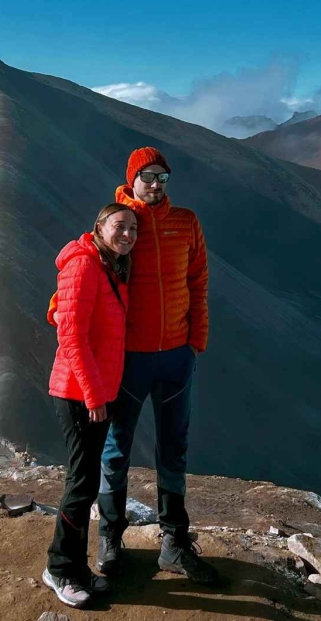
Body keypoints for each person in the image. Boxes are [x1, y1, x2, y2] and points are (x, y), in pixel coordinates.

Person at [97, 146, 219, 584]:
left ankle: (173, 544)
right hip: (129, 360)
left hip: (175, 357)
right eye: (146, 176)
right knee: (116, 449)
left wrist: (195, 342)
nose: (154, 184)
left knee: (174, 447)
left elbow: (198, 280)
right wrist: (62, 308)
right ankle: (110, 541)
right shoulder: (120, 224)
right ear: (131, 178)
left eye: (162, 178)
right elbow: (87, 267)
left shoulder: (186, 222)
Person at [42, 202, 138, 607]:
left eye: (133, 228)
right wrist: (95, 395)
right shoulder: (83, 266)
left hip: (96, 391)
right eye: (120, 226)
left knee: (85, 480)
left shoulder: (107, 266)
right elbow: (72, 338)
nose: (128, 234)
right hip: (79, 394)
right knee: (81, 483)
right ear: (99, 227)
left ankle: (75, 568)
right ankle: (61, 570)